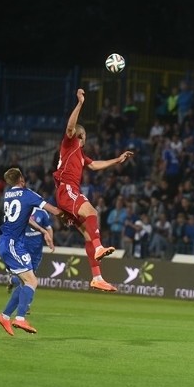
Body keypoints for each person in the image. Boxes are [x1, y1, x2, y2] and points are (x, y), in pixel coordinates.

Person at [53, 89, 133, 292]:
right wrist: (80, 103)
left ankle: (97, 277)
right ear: (82, 135)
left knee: (88, 235)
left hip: (67, 192)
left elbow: (95, 165)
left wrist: (117, 160)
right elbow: (71, 127)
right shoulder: (70, 143)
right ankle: (99, 248)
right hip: (67, 189)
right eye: (85, 136)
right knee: (92, 212)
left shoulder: (80, 155)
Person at [0, 168, 63, 336]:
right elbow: (54, 211)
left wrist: (43, 231)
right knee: (32, 282)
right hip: (12, 244)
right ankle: (19, 318)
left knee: (26, 282)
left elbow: (25, 219)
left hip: (7, 242)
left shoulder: (8, 195)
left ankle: (4, 316)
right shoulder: (28, 194)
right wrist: (73, 214)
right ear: (22, 179)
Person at [6, 206, 54, 314]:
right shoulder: (21, 210)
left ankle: (13, 280)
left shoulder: (42, 213)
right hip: (22, 248)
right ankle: (26, 304)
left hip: (36, 250)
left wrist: (50, 241)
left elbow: (49, 227)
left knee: (30, 277)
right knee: (30, 279)